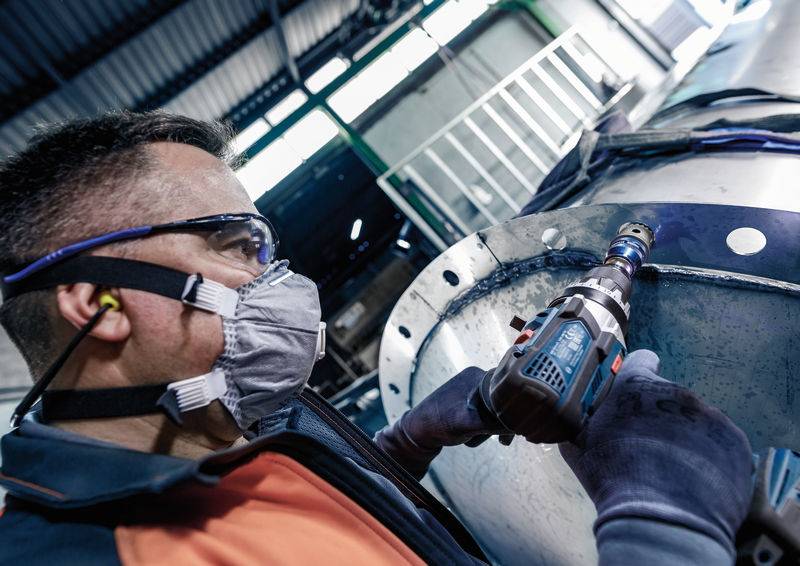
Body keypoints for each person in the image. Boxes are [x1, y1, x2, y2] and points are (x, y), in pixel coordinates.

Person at [0, 112, 753, 565]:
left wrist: (400, 452)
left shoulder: (218, 444)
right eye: (235, 246)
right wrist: (665, 522)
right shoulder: (93, 554)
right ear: (97, 305)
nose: (278, 281)